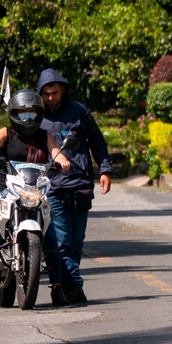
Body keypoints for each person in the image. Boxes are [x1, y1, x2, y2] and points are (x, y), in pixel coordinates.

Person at [0, 89, 71, 305]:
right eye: (22, 112)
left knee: (52, 240)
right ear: (13, 113)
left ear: (39, 113)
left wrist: (63, 160)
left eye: (32, 111)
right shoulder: (6, 133)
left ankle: (57, 289)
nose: (27, 116)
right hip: (6, 188)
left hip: (34, 189)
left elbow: (56, 152)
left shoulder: (44, 135)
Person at [36, 68, 113, 304]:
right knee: (63, 241)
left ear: (63, 90)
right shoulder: (36, 117)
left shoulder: (78, 111)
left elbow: (97, 142)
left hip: (80, 185)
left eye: (55, 92)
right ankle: (72, 286)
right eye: (46, 93)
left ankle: (62, 284)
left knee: (77, 241)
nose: (51, 98)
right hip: (52, 188)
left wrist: (105, 170)